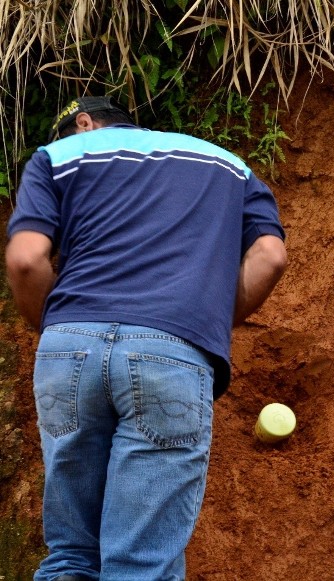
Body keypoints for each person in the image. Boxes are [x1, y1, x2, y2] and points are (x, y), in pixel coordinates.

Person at [5, 96, 288, 581]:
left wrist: (55, 329)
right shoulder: (230, 166)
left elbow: (27, 260)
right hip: (171, 349)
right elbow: (270, 256)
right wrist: (199, 323)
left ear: (84, 122)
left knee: (71, 556)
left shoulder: (58, 156)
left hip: (69, 348)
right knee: (140, 565)